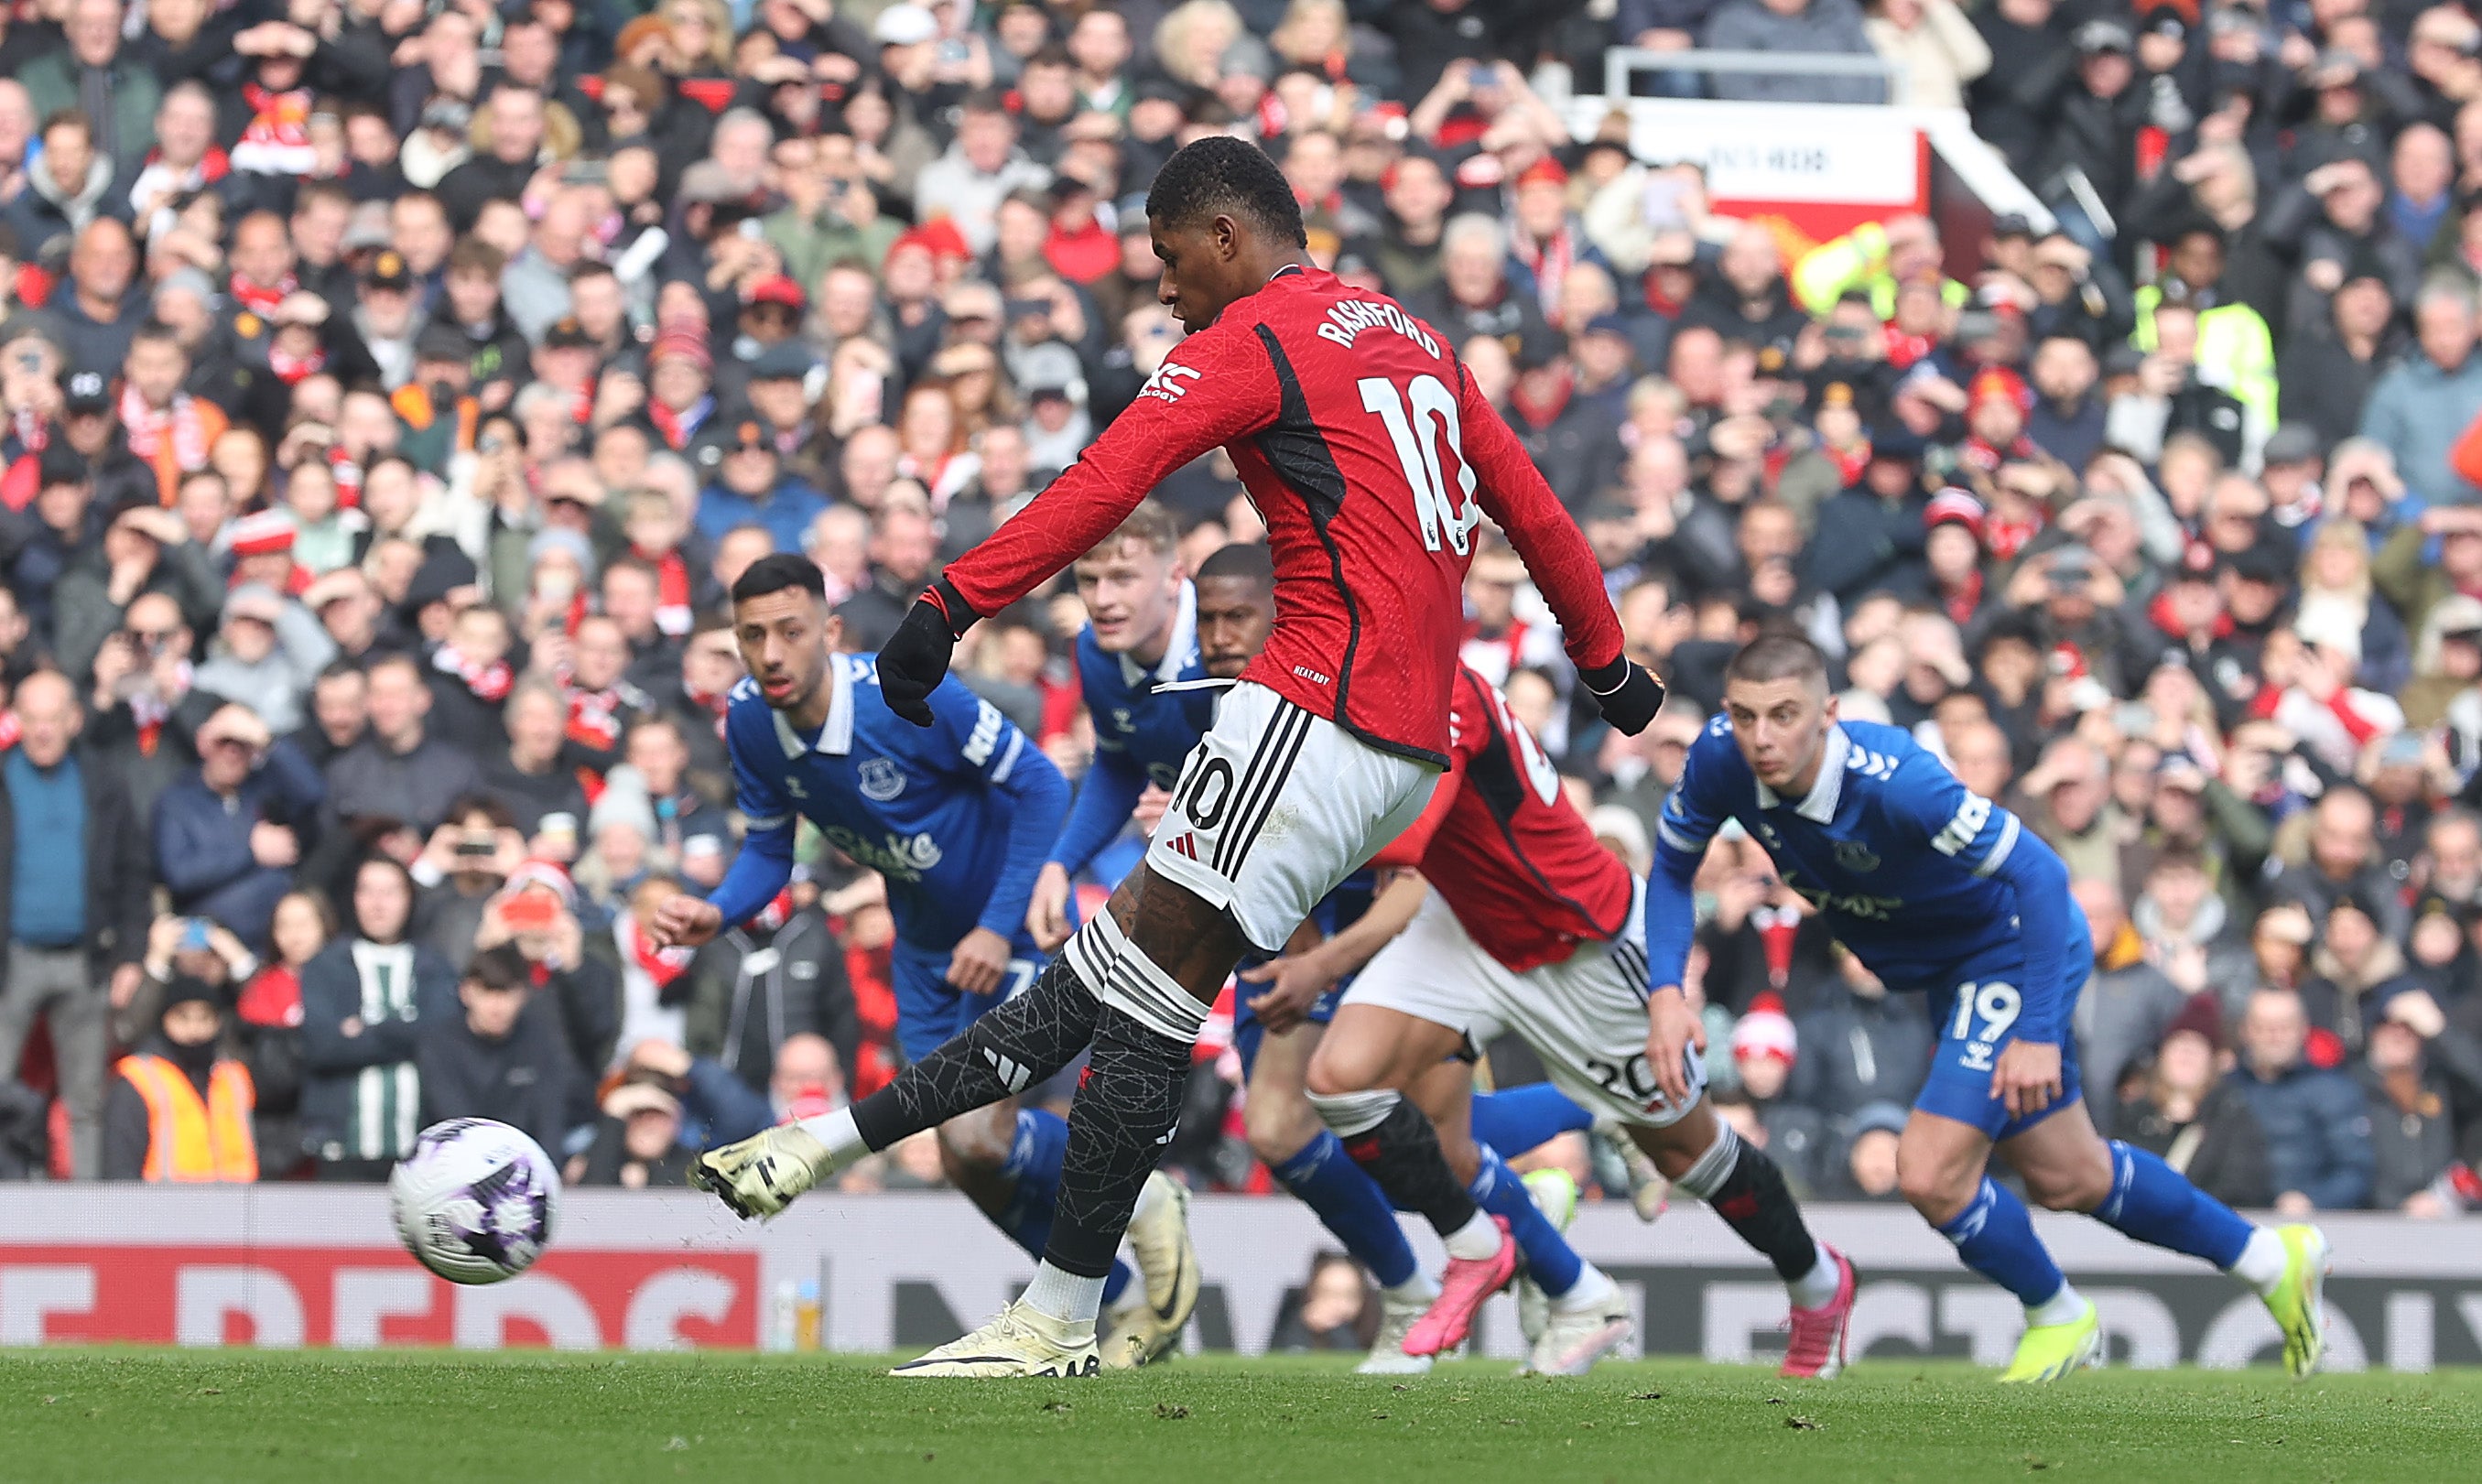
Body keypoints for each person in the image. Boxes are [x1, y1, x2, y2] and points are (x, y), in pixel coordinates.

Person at [677, 137, 1659, 1379]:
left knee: (1118, 994)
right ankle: (905, 1209)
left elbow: (1105, 481)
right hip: (1409, 749)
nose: (1160, 286)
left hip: (1310, 711)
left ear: (1225, 239)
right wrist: (1607, 664)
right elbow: (1532, 505)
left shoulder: (1250, 341)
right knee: (1121, 987)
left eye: (1165, 255)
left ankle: (1030, 1298)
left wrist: (945, 605)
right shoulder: (1412, 337)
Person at [1649, 634, 2328, 1381]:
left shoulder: (1897, 782)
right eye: (1744, 716)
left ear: (1828, 714)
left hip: (2011, 946)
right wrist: (1665, 991)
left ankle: (2056, 1312)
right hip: (1944, 969)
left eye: (1784, 714)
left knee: (1929, 1172)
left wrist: (2035, 1030)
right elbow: (1673, 869)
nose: (1762, 736)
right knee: (2068, 1175)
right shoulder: (1719, 759)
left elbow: (2040, 874)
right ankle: (2270, 1258)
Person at [662, 552, 1185, 1368]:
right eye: (752, 635)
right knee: (956, 1150)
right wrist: (716, 909)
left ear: (829, 633)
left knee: (978, 1134)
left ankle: (1146, 1194)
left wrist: (996, 923)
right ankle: (1108, 1299)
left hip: (1009, 932)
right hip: (924, 949)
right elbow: (769, 850)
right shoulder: (751, 722)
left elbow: (1044, 786)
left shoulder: (905, 695)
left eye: (790, 632)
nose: (770, 653)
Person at [1304, 659, 1855, 1376]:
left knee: (1683, 1151)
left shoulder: (1441, 693)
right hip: (1462, 922)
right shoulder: (1317, 688)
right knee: (1343, 1080)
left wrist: (1312, 951)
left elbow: (1397, 855)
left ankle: (1817, 1280)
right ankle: (1491, 1251)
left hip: (1575, 942)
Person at [0, 670, 153, 1178]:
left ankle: (86, 1221)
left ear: (74, 720)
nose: (43, 730)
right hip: (10, 959)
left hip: (84, 960)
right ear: (16, 720)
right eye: (33, 718)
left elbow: (134, 868)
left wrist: (131, 954)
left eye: (53, 718)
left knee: (85, 1101)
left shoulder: (101, 780)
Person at [298, 856, 457, 1180]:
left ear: (409, 899)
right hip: (341, 1148)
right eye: (367, 891)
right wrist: (407, 1028)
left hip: (421, 1153)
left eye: (390, 892)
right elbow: (323, 1046)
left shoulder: (434, 966)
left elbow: (442, 1036)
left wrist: (369, 1027)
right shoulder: (326, 966)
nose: (378, 905)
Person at [417, 942, 569, 1156]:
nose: (497, 1006)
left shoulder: (540, 1042)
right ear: (466, 992)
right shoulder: (439, 1044)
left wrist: (545, 1178)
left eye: (506, 993)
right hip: (455, 1167)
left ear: (523, 994)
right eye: (487, 991)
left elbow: (550, 1123)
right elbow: (454, 1124)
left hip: (523, 1169)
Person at [101, 976, 257, 1182]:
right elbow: (121, 1164)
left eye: (204, 1018)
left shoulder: (234, 1077)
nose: (194, 1029)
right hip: (163, 1208)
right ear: (164, 1020)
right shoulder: (140, 1078)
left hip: (238, 1208)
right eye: (183, 1017)